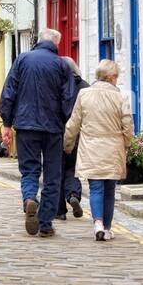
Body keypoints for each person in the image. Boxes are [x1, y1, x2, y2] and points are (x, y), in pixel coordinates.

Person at [0, 29, 77, 237]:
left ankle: (30, 198)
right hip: (53, 129)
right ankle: (45, 224)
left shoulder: (22, 60)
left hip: (25, 126)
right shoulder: (62, 64)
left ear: (38, 41)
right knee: (53, 175)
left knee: (30, 170)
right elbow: (68, 98)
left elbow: (9, 92)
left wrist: (7, 123)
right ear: (56, 43)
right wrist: (64, 122)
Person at [62, 59, 133, 241]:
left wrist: (68, 145)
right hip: (113, 148)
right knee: (109, 189)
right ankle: (107, 228)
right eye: (116, 76)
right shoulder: (121, 97)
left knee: (95, 188)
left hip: (91, 148)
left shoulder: (84, 94)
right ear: (111, 77)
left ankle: (98, 223)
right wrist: (126, 143)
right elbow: (127, 125)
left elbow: (73, 123)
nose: (117, 80)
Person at [56, 57, 90, 221]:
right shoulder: (85, 87)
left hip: (57, 133)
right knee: (73, 168)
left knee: (57, 171)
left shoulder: (56, 85)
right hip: (78, 135)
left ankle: (60, 210)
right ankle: (73, 195)